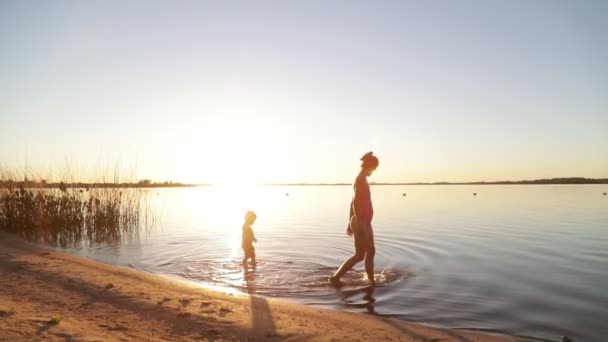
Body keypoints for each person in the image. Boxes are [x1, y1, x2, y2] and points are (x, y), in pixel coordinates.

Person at [330, 152, 379, 286]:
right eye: (374, 168)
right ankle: (370, 281)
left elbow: (352, 203)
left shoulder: (361, 179)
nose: (374, 171)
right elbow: (356, 204)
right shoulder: (360, 180)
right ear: (369, 166)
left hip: (361, 221)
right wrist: (360, 224)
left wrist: (349, 222)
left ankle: (369, 279)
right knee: (361, 254)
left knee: (367, 252)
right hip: (361, 221)